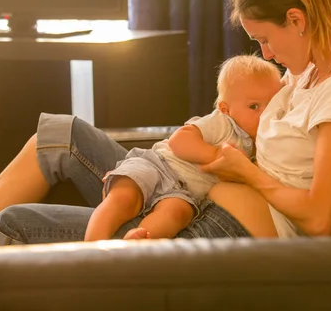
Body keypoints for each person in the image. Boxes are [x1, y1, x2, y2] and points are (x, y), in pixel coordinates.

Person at [0, 0, 331, 269]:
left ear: (296, 20)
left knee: (13, 224)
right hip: (195, 196)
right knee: (59, 133)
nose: (267, 55)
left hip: (215, 232)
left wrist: (246, 173)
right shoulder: (310, 70)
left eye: (265, 40)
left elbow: (324, 219)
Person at [85, 55, 282, 241]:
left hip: (182, 192)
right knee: (124, 198)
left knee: (177, 215)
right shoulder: (222, 123)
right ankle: (91, 248)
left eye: (271, 105)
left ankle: (139, 240)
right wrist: (215, 154)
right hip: (158, 165)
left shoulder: (260, 144)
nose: (265, 114)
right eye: (254, 107)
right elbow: (179, 141)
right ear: (225, 109)